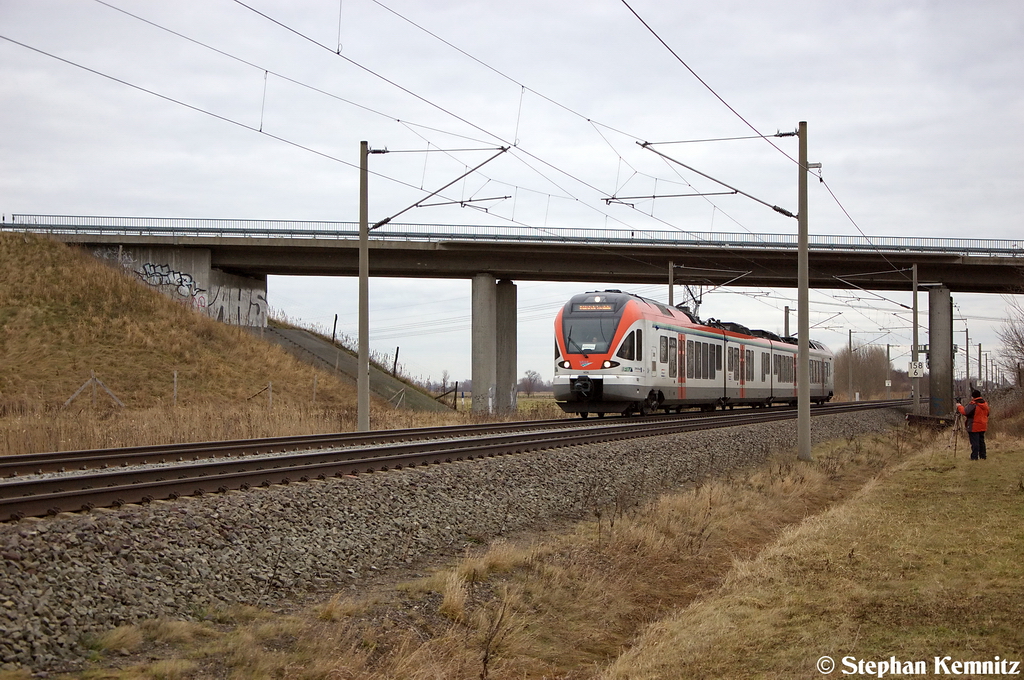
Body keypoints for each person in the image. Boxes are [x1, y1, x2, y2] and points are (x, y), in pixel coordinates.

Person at [957, 389, 989, 460]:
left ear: (973, 397)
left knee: (975, 443)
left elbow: (965, 412)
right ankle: (983, 456)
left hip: (974, 426)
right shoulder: (985, 404)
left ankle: (974, 457)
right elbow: (987, 414)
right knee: (981, 442)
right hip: (983, 425)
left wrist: (959, 406)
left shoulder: (974, 404)